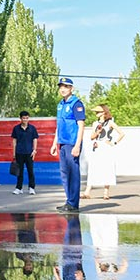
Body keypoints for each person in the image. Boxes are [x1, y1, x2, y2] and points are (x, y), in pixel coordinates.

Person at [50, 77, 86, 213]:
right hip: (63, 143)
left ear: (71, 88)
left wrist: (77, 145)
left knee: (73, 174)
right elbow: (58, 126)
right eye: (61, 86)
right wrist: (55, 143)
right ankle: (69, 201)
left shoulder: (76, 103)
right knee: (65, 174)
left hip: (72, 143)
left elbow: (81, 125)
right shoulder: (60, 104)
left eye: (66, 86)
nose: (63, 89)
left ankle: (73, 203)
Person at [82, 104, 125, 200]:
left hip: (106, 147)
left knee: (107, 168)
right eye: (96, 112)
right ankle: (87, 191)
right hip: (97, 147)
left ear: (104, 112)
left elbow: (121, 133)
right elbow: (92, 137)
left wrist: (113, 143)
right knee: (93, 168)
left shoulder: (110, 123)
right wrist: (97, 132)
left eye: (98, 112)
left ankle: (106, 192)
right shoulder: (95, 123)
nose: (96, 113)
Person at [11, 110, 39, 195]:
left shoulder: (32, 128)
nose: (25, 120)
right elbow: (14, 141)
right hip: (19, 152)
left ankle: (31, 188)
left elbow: (35, 139)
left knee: (30, 171)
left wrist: (34, 150)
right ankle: (19, 188)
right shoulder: (16, 128)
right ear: (20, 118)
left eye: (27, 118)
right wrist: (14, 153)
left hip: (29, 153)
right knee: (20, 172)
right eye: (23, 118)